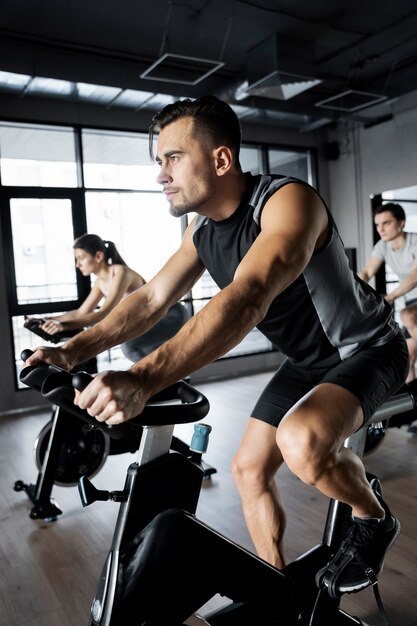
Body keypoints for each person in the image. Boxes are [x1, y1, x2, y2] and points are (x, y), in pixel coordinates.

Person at [26, 95, 408, 597]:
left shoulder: (286, 202)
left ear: (221, 160)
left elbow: (246, 298)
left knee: (302, 442)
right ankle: (279, 591)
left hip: (370, 347)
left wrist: (143, 378)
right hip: (307, 361)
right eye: (157, 161)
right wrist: (73, 350)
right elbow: (153, 299)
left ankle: (372, 517)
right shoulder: (201, 230)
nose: (160, 174)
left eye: (172, 158)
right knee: (248, 469)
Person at [30, 233, 190, 361]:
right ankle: (164, 382)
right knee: (141, 350)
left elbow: (104, 314)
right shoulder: (101, 282)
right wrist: (47, 319)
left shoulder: (120, 272)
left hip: (170, 315)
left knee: (130, 346)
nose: (77, 264)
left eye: (81, 258)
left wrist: (63, 326)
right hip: (152, 318)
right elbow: (81, 313)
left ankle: (158, 383)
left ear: (98, 256)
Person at [358, 202, 417, 382]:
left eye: (386, 223)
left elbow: (416, 274)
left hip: (412, 305)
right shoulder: (382, 247)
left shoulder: (414, 241)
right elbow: (367, 272)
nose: (380, 229)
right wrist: (350, 290)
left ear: (401, 223)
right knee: (408, 358)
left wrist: (390, 297)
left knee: (406, 316)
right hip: (411, 300)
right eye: (377, 224)